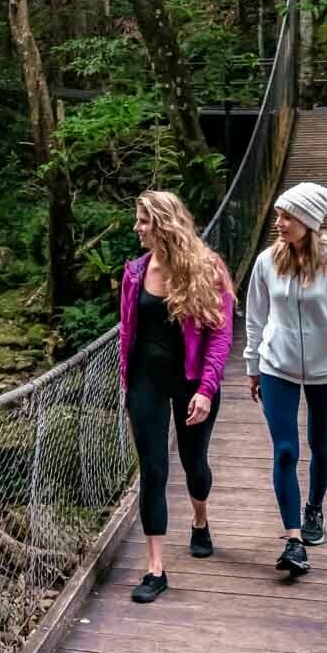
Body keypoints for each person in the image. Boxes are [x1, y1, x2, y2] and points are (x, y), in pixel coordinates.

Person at [243, 181, 327, 579]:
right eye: (279, 215)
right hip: (276, 366)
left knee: (320, 443)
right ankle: (294, 540)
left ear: (309, 222)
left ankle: (314, 505)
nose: (278, 223)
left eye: (286, 216)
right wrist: (251, 365)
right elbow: (254, 317)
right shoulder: (267, 261)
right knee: (285, 450)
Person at [118, 190, 234, 603]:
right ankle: (155, 569)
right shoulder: (135, 272)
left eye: (143, 221)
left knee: (193, 464)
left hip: (191, 383)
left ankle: (200, 521)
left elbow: (220, 336)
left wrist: (206, 389)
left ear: (164, 224)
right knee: (152, 472)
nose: (137, 228)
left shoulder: (206, 269)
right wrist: (126, 382)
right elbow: (127, 331)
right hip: (146, 382)